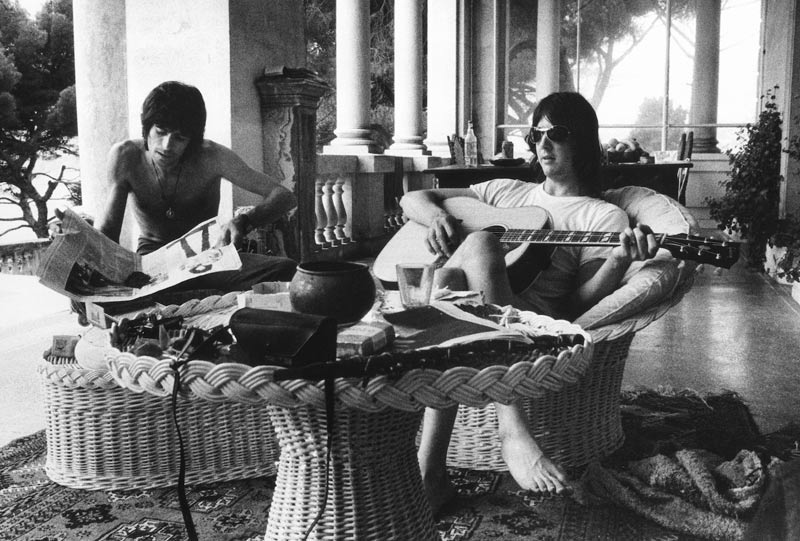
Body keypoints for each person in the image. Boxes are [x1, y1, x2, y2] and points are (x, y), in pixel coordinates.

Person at [399, 91, 659, 512]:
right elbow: (412, 198)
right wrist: (439, 218)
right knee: (456, 267)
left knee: (468, 258)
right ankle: (435, 472)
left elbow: (578, 302)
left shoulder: (601, 217)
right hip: (473, 318)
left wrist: (617, 260)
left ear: (584, 142)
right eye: (535, 134)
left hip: (529, 323)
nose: (542, 144)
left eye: (556, 133)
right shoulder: (505, 192)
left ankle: (502, 431)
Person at [93, 80, 298, 294]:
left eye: (180, 138)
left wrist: (245, 221)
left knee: (286, 269)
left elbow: (284, 196)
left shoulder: (212, 156)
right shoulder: (125, 156)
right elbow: (107, 232)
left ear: (193, 140)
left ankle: (198, 298)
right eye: (160, 131)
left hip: (209, 259)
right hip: (154, 262)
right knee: (103, 295)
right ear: (147, 128)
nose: (167, 146)